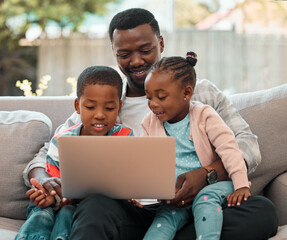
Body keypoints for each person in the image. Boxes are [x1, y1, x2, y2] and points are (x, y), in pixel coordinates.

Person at [23, 8, 278, 240]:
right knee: (95, 205)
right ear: (114, 53)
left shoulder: (201, 94)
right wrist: (45, 180)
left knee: (262, 212)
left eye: (145, 50)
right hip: (132, 214)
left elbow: (248, 146)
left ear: (161, 43)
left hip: (198, 207)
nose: (135, 61)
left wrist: (206, 175)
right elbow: (47, 154)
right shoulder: (104, 104)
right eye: (124, 54)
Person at [141, 52, 251, 240]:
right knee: (163, 221)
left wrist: (241, 185)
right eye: (149, 98)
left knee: (204, 201)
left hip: (214, 188)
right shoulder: (149, 123)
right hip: (178, 198)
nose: (153, 104)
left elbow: (230, 149)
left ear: (186, 93)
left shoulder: (204, 115)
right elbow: (147, 164)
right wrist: (155, 192)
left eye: (161, 97)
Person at [15, 65, 133, 240]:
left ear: (119, 107)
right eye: (91, 107)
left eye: (109, 108)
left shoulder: (125, 137)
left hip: (84, 207)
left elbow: (125, 181)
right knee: (41, 214)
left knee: (68, 215)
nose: (100, 115)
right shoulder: (63, 139)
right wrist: (50, 195)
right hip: (54, 200)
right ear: (78, 106)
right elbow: (52, 180)